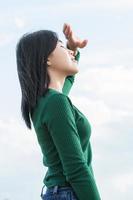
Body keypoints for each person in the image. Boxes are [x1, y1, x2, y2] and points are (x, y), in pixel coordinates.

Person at [16, 23, 101, 200]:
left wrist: (72, 46)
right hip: (68, 192)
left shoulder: (44, 101)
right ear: (46, 58)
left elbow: (68, 80)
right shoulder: (56, 102)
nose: (70, 53)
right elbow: (76, 168)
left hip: (59, 193)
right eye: (62, 46)